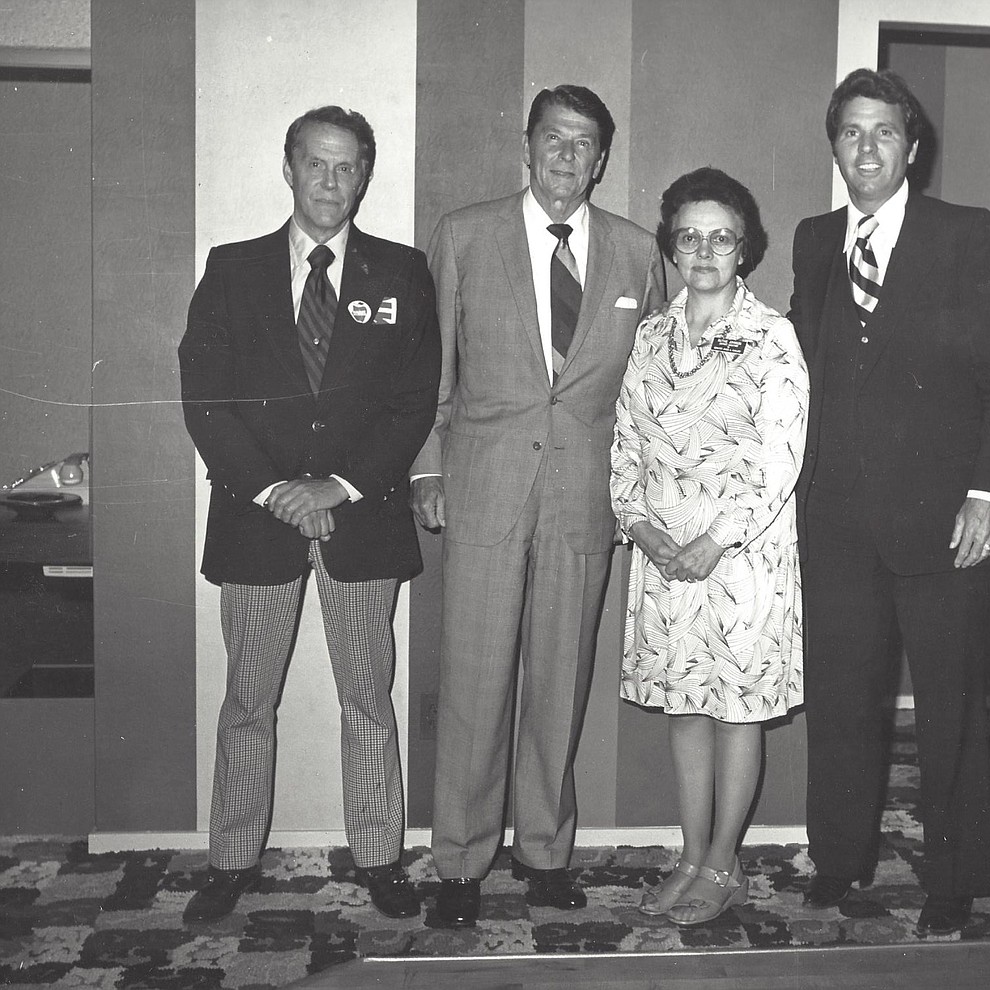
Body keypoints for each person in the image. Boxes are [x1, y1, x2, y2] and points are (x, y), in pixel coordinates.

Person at [410, 84, 666, 927]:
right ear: (527, 146)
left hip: (584, 501)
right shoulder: (465, 233)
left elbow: (654, 392)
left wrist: (641, 495)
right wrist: (425, 469)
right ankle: (460, 862)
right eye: (552, 137)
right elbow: (429, 369)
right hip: (482, 488)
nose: (566, 154)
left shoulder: (636, 253)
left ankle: (545, 852)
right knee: (476, 681)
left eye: (583, 142)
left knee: (561, 679)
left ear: (601, 159)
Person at [178, 106, 440, 924]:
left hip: (361, 521)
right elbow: (205, 396)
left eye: (347, 167)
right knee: (248, 700)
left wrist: (339, 488)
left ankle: (377, 857)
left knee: (369, 697)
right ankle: (229, 860)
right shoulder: (232, 268)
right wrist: (272, 490)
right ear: (287, 167)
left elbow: (412, 403)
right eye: (316, 164)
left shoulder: (401, 272)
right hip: (258, 521)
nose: (331, 182)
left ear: (365, 175)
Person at [789, 69, 990, 935]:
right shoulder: (815, 241)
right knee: (842, 699)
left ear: (912, 146)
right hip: (838, 525)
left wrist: (989, 494)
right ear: (835, 144)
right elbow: (798, 378)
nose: (866, 148)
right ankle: (841, 859)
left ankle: (955, 876)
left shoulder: (966, 235)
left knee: (952, 709)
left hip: (945, 524)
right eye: (852, 132)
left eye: (883, 132)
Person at [611, 168, 807, 925]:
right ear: (671, 245)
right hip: (663, 558)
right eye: (689, 236)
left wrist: (713, 540)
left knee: (734, 713)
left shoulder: (771, 337)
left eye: (720, 237)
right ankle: (689, 856)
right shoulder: (654, 333)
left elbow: (777, 460)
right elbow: (625, 442)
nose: (704, 250)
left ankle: (723, 863)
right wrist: (644, 526)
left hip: (741, 561)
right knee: (684, 710)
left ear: (744, 250)